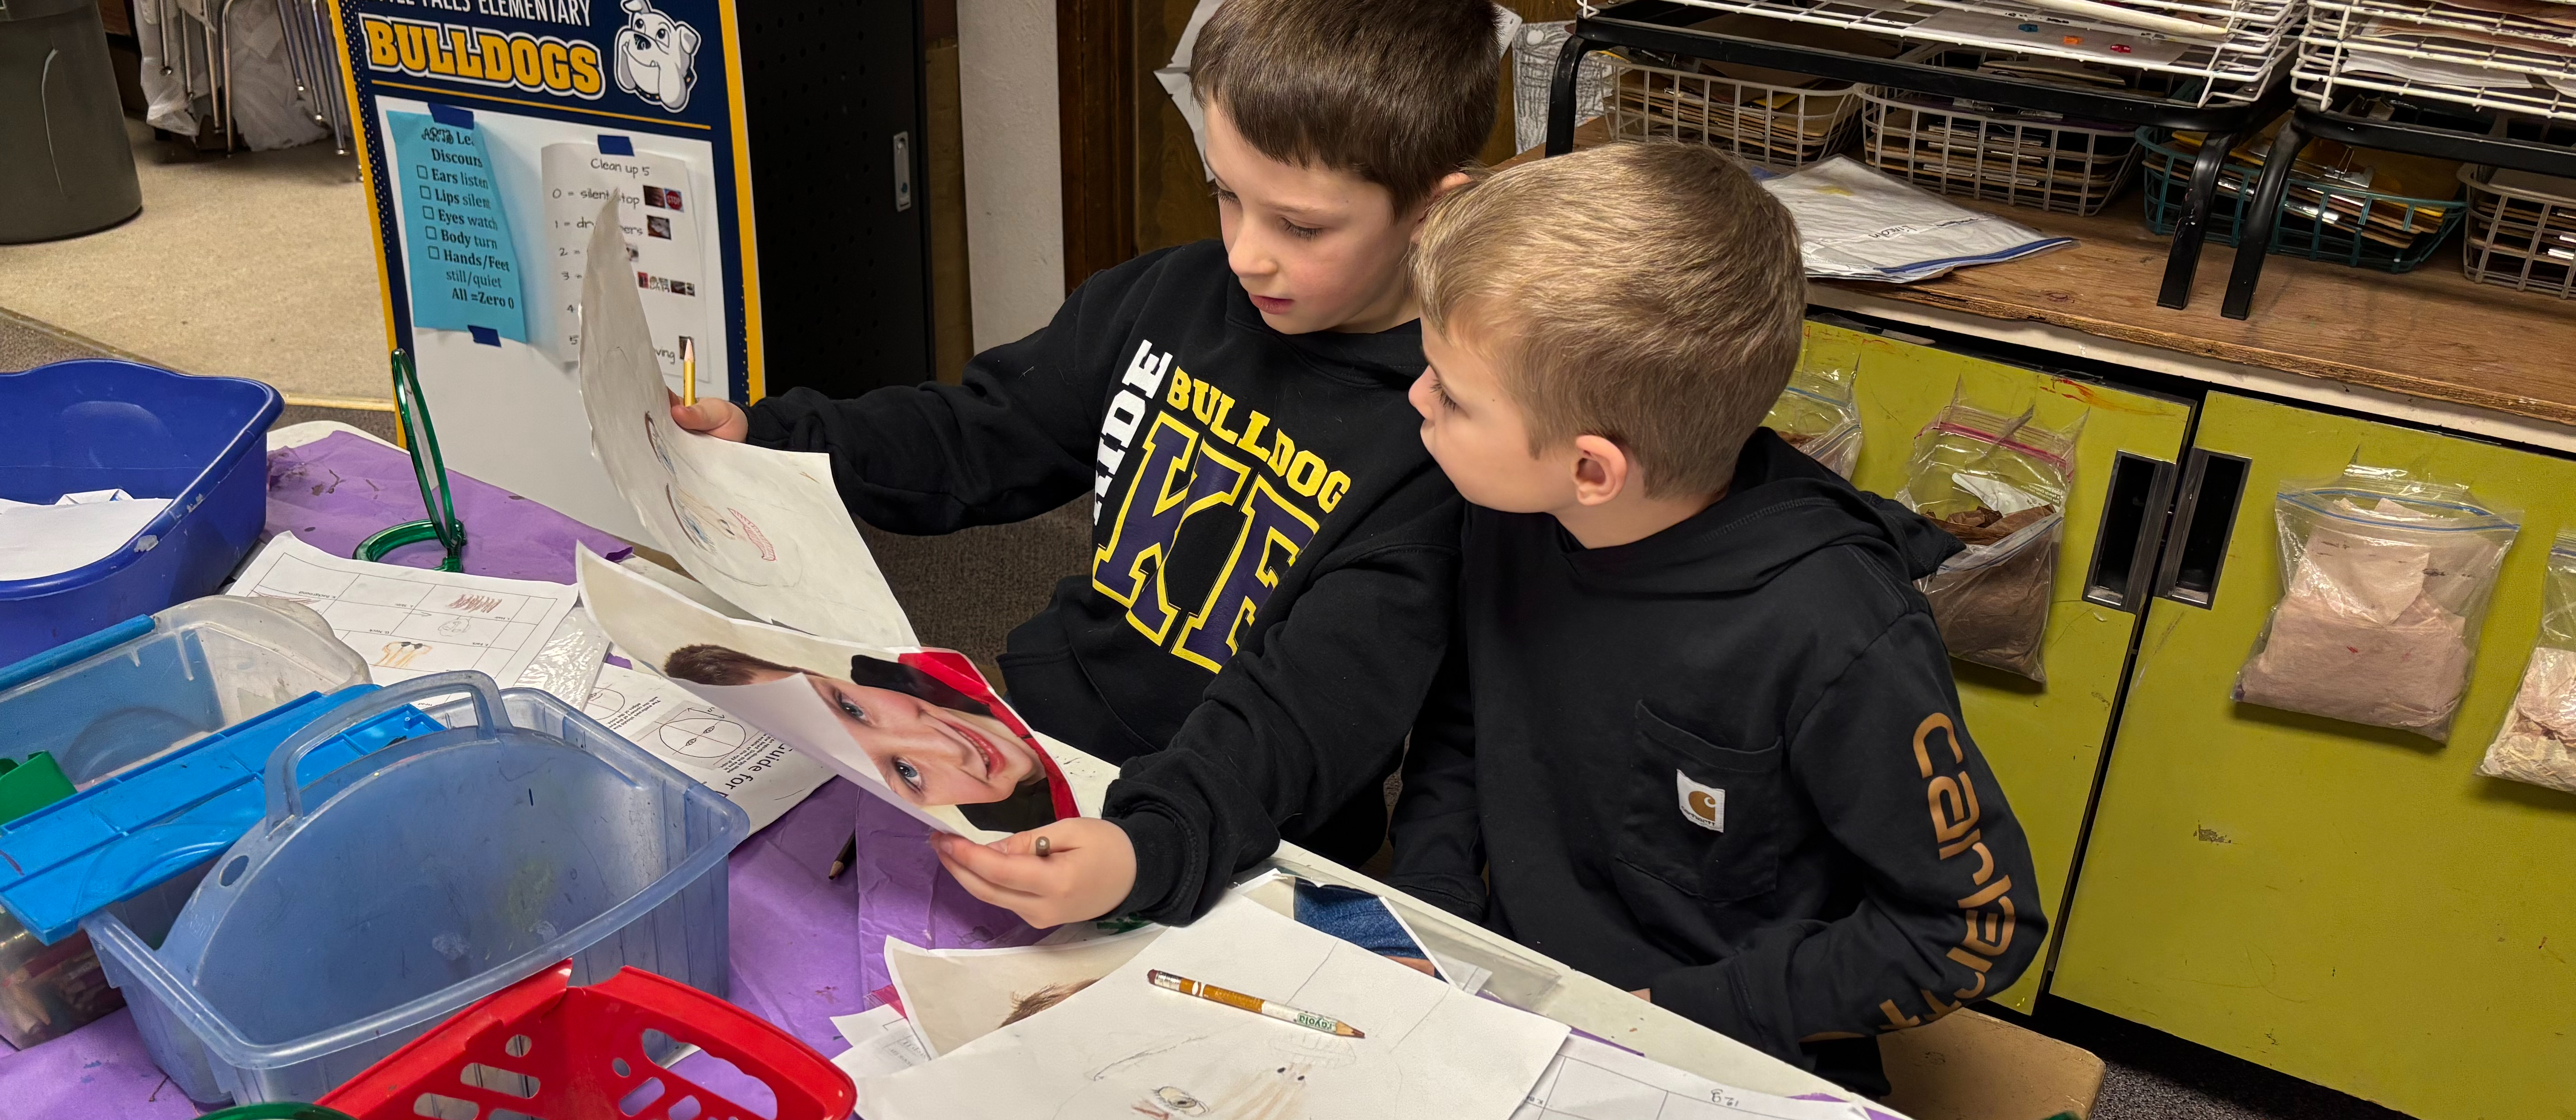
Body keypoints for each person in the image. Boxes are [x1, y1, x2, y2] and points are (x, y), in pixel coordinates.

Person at [668, 0, 1501, 925]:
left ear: (1434, 211)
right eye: (1227, 193)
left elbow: (1305, 712)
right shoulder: (1170, 295)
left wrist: (1152, 845)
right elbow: (978, 433)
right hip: (1036, 740)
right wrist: (773, 439)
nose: (1246, 253)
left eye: (1301, 227)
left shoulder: (1442, 432)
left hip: (1230, 830)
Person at [1383, 142, 2047, 1095]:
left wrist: (1687, 1017)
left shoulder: (1835, 630)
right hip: (1521, 990)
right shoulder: (1515, 504)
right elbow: (1467, 717)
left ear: (1591, 468)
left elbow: (1975, 925)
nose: (1416, 397)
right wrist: (1434, 912)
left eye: (1449, 392)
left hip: (1721, 1042)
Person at [664, 643, 1063, 830]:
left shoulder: (1056, 662)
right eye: (906, 772)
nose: (948, 748)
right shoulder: (1006, 830)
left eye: (853, 709)